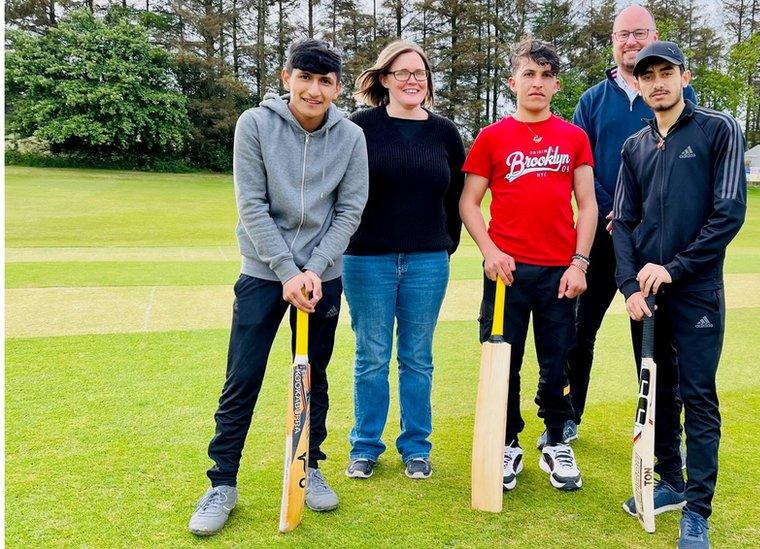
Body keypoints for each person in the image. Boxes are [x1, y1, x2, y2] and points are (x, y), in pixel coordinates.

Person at [188, 40, 368, 536]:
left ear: (336, 87)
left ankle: (308, 468)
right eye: (305, 78)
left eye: (326, 81)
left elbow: (350, 210)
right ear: (287, 78)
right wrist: (289, 272)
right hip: (263, 274)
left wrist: (313, 269)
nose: (314, 90)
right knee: (242, 377)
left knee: (315, 377)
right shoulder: (255, 124)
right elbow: (252, 205)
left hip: (322, 277)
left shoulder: (351, 137)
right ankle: (222, 482)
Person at [545, 4, 699, 450]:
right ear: (612, 42)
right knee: (576, 330)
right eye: (622, 35)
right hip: (597, 236)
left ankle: (654, 425)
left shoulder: (670, 92)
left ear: (654, 36)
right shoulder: (593, 100)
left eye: (639, 33)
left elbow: (680, 169)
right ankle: (568, 417)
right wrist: (612, 209)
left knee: (650, 336)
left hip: (652, 241)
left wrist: (637, 215)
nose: (630, 42)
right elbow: (580, 165)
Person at [612, 41, 746, 548]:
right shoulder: (635, 147)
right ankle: (668, 481)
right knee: (657, 393)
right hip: (646, 294)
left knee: (697, 396)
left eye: (667, 73)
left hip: (697, 290)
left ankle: (698, 508)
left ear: (685, 77)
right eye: (648, 76)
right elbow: (621, 222)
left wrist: (674, 270)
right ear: (639, 84)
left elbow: (728, 212)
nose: (658, 83)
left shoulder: (718, 129)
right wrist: (628, 285)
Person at [459, 38, 597, 492]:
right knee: (505, 359)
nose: (536, 84)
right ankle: (507, 441)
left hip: (560, 272)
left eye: (545, 76)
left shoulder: (574, 137)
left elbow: (588, 204)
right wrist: (490, 251)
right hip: (506, 274)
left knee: (558, 362)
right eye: (528, 75)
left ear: (556, 85)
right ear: (512, 81)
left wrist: (580, 263)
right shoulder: (491, 137)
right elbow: (470, 202)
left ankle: (556, 439)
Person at [343, 40, 465, 481]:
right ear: (384, 80)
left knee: (417, 357)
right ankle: (365, 446)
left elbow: (457, 196)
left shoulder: (446, 133)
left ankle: (416, 447)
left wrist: (445, 243)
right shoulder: (359, 128)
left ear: (428, 82)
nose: (412, 80)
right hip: (366, 260)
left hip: (427, 262)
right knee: (371, 356)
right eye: (402, 72)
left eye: (420, 73)